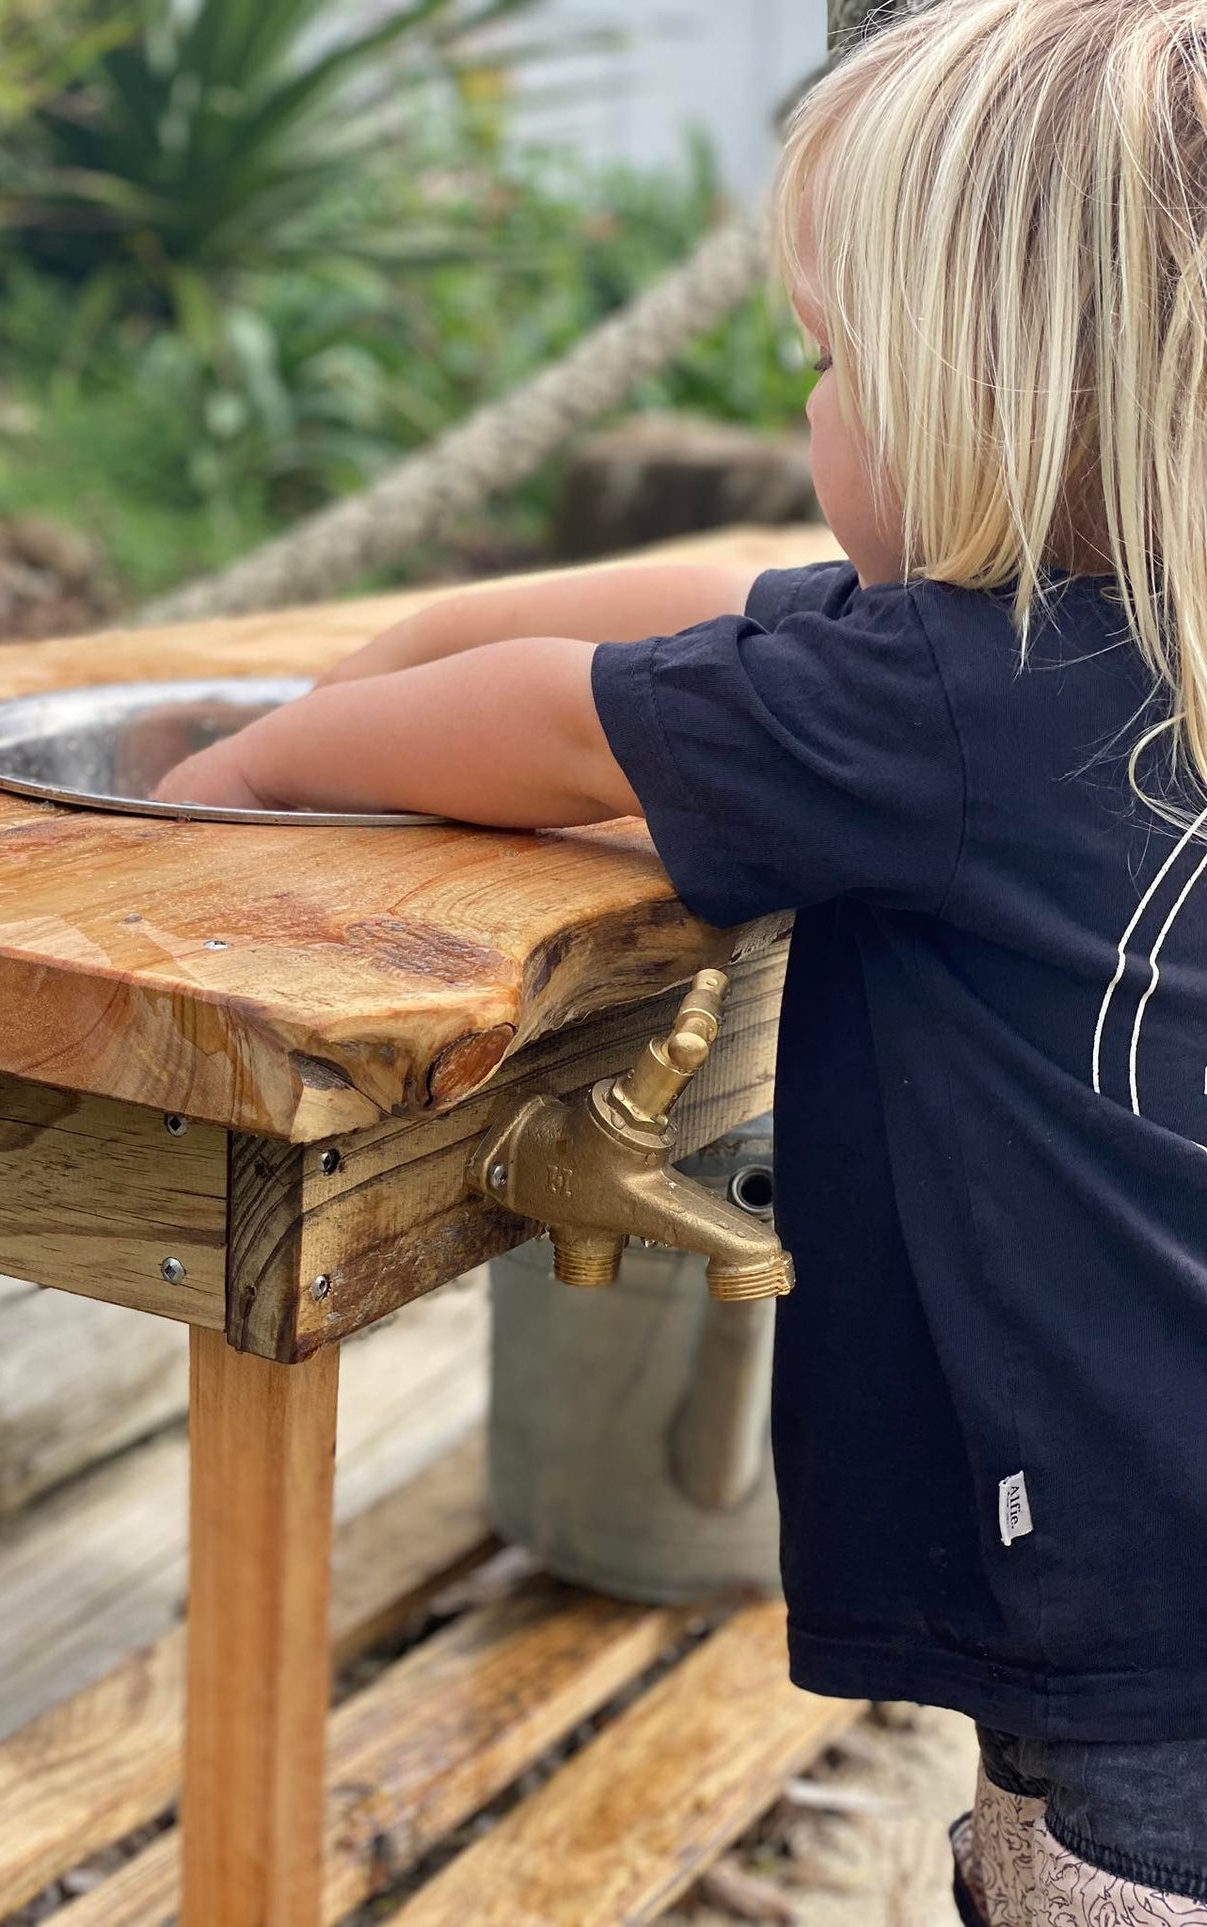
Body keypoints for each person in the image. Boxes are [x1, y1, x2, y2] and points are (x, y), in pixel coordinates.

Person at [157, 2, 1207, 1917]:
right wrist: (405, 645)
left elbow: (565, 727)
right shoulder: (1109, 657)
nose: (804, 416)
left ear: (983, 390)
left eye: (827, 359)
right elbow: (713, 607)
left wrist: (242, 771)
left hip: (1142, 1675)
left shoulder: (953, 704)